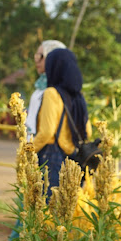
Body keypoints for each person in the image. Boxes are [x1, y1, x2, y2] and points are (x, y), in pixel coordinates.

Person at [33, 47, 89, 196]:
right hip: (74, 159)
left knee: (47, 208)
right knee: (66, 211)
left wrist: (28, 150)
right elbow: (87, 131)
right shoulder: (78, 97)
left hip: (52, 158)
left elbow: (47, 132)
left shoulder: (52, 93)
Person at [26, 40, 66, 138]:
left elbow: (47, 132)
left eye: (41, 56)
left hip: (42, 149)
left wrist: (31, 147)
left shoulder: (55, 91)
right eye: (36, 56)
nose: (37, 60)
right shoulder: (40, 88)